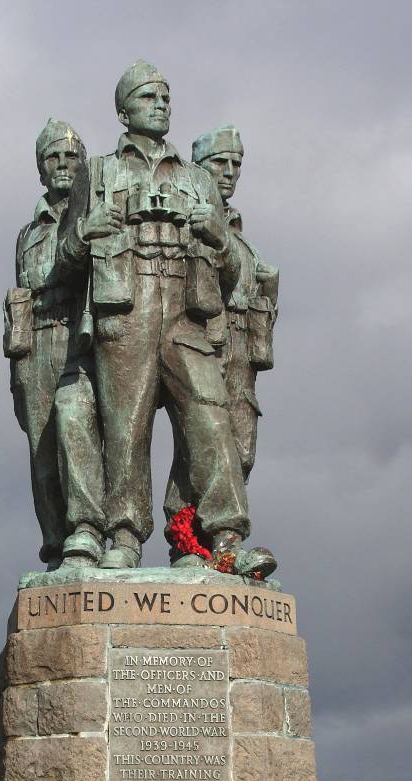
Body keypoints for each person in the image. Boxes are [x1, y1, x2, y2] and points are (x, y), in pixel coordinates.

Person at [59, 61, 272, 575]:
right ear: (123, 109)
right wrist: (86, 230)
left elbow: (236, 270)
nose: (161, 105)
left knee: (210, 417)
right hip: (125, 309)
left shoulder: (198, 179)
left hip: (186, 311)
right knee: (124, 428)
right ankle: (124, 536)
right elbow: (64, 261)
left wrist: (217, 236)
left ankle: (225, 536)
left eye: (166, 97)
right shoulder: (100, 171)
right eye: (149, 96)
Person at [163, 126, 279, 565]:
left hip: (242, 350)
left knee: (241, 448)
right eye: (219, 163)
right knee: (204, 440)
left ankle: (205, 542)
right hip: (200, 339)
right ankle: (190, 537)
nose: (229, 172)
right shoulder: (189, 218)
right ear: (198, 167)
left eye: (236, 164)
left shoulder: (235, 228)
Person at [4, 119, 105, 571]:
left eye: (70, 157)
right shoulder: (28, 234)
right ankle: (56, 548)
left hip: (78, 336)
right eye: (53, 158)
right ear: (41, 169)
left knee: (74, 427)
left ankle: (89, 531)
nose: (63, 165)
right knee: (43, 459)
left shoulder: (92, 214)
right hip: (34, 346)